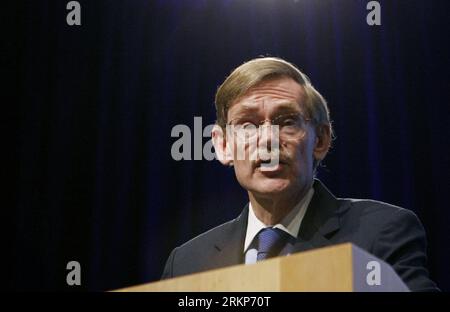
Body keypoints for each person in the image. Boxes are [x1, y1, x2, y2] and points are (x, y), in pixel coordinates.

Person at [161, 57, 438, 291]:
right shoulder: (186, 263)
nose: (268, 138)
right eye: (247, 124)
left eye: (287, 121)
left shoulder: (382, 234)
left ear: (320, 140)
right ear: (222, 146)